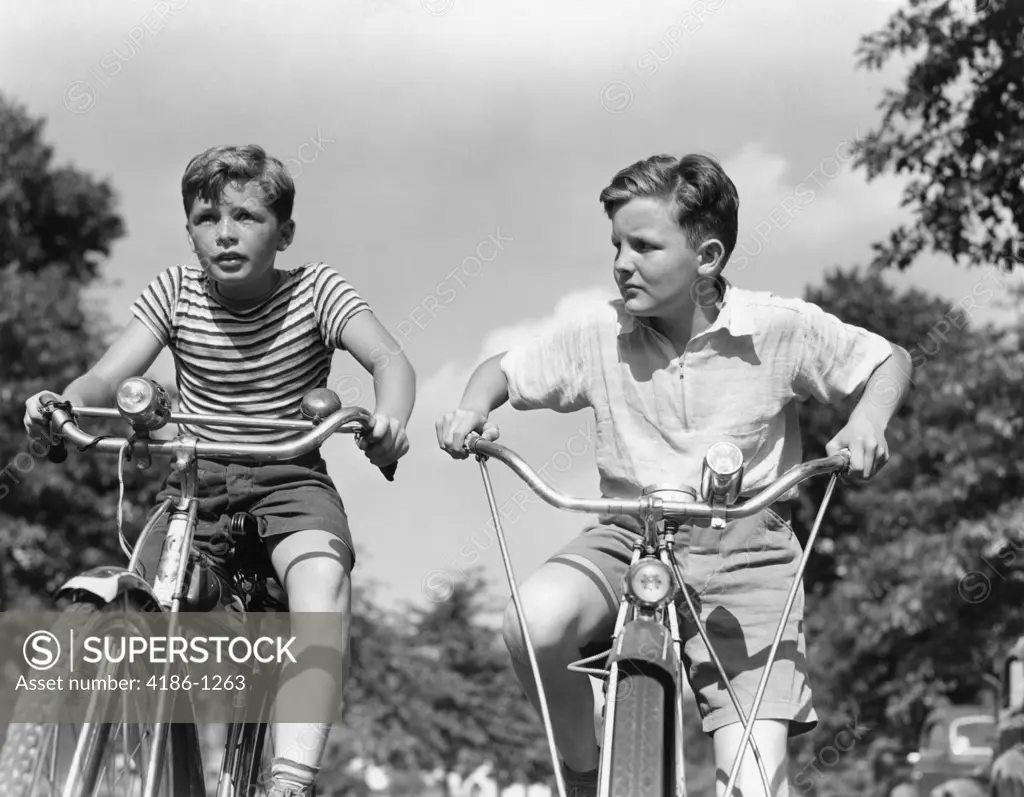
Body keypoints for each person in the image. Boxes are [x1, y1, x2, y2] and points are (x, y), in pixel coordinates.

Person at [435, 152, 913, 796]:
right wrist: (470, 409)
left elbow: (889, 361)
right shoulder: (598, 334)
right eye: (616, 245)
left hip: (746, 552)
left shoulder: (777, 328)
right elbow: (501, 369)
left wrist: (868, 423)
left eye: (644, 246)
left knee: (753, 783)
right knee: (533, 620)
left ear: (708, 258)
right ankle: (581, 771)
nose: (621, 262)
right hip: (628, 536)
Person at [23, 144, 415, 797]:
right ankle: (112, 760)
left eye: (246, 217)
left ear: (284, 232)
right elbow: (107, 373)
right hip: (194, 481)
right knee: (146, 592)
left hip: (288, 476)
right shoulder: (174, 292)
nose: (224, 233)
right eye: (207, 218)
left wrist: (390, 421)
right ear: (188, 231)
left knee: (321, 578)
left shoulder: (317, 289)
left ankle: (290, 779)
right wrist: (66, 401)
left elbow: (390, 360)